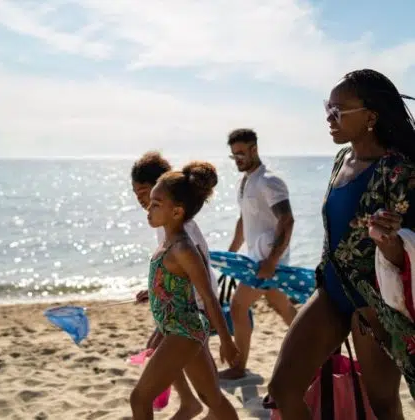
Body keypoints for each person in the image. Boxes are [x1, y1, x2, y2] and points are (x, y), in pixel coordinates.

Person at [267, 69, 415, 420]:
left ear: (370, 117)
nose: (328, 118)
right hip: (330, 292)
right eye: (327, 108)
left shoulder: (399, 170)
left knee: (383, 406)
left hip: (374, 305)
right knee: (282, 390)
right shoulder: (340, 160)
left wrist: (390, 240)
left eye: (338, 110)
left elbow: (407, 255)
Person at [129, 161, 240, 420]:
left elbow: (209, 295)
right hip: (180, 327)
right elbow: (173, 278)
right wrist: (154, 290)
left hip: (185, 329)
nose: (148, 209)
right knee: (210, 396)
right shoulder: (168, 239)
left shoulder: (183, 247)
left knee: (139, 398)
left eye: (155, 204)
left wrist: (226, 340)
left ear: (177, 212)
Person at [219, 129, 297, 380]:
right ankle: (322, 351)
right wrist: (231, 253)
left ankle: (238, 366)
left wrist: (272, 261)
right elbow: (245, 221)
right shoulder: (245, 182)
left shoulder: (269, 181)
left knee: (238, 306)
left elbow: (287, 220)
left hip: (267, 261)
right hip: (256, 259)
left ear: (254, 149)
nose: (238, 159)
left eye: (242, 153)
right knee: (281, 306)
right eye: (234, 155)